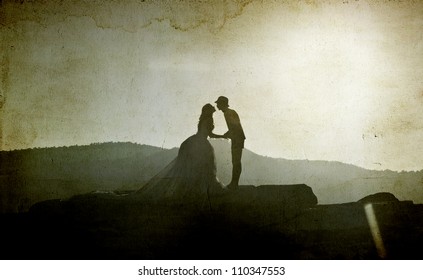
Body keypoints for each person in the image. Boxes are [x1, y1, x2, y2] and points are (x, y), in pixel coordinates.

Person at [137, 104, 225, 210]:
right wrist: (224, 136)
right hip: (200, 143)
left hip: (195, 141)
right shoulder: (208, 120)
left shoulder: (202, 120)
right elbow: (210, 134)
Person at [215, 96, 245, 190]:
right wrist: (227, 134)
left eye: (218, 103)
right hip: (237, 138)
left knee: (236, 161)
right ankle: (234, 183)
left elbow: (235, 127)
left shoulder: (229, 113)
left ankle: (234, 183)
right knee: (235, 161)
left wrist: (227, 134)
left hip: (237, 139)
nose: (217, 105)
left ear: (222, 104)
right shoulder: (228, 113)